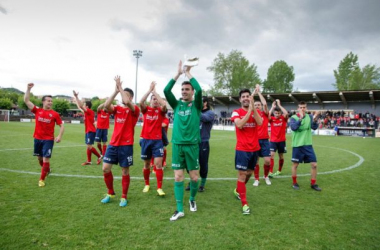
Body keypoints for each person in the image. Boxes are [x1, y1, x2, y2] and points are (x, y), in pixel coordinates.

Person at [164, 60, 202, 221]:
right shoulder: (177, 104)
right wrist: (178, 73)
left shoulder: (197, 105)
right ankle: (179, 209)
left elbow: (200, 89)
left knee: (194, 178)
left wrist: (188, 73)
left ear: (192, 92)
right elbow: (166, 90)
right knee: (178, 177)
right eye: (182, 89)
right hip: (178, 145)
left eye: (187, 89)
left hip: (192, 146)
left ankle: (192, 199)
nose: (184, 91)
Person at [100, 76, 140, 207]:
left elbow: (127, 102)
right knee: (105, 168)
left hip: (126, 145)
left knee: (125, 171)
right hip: (113, 144)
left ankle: (124, 196)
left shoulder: (135, 110)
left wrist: (121, 88)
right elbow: (106, 106)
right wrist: (116, 91)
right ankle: (110, 192)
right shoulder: (117, 109)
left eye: (126, 95)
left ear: (131, 98)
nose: (123, 97)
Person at [24, 83, 64, 187]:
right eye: (48, 100)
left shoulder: (55, 114)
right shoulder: (38, 110)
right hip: (37, 138)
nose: (50, 102)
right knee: (39, 158)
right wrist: (28, 89)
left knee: (46, 159)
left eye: (51, 101)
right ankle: (48, 169)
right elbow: (27, 101)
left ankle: (41, 179)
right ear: (43, 102)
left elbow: (62, 126)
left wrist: (59, 136)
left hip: (48, 140)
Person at [231, 88, 262, 215]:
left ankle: (238, 189)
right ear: (240, 99)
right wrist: (249, 111)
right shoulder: (236, 112)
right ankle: (245, 204)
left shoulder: (256, 112)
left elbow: (260, 122)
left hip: (254, 149)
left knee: (250, 173)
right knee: (242, 174)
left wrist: (253, 109)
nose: (245, 98)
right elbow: (239, 125)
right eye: (243, 96)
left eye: (247, 96)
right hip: (242, 149)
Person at [139, 81, 167, 196]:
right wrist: (149, 91)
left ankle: (159, 187)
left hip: (157, 141)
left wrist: (155, 92)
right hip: (146, 140)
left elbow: (164, 105)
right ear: (150, 101)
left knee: (158, 164)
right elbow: (141, 102)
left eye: (156, 99)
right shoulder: (146, 110)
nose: (155, 100)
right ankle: (147, 184)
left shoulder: (161, 112)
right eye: (153, 99)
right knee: (146, 165)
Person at [289, 101, 322, 191]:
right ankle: (294, 183)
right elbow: (293, 128)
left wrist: (315, 119)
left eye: (304, 107)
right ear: (298, 108)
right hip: (297, 145)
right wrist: (300, 119)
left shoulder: (310, 117)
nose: (302, 109)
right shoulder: (293, 117)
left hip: (308, 144)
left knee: (314, 165)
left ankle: (313, 183)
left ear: (306, 108)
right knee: (295, 165)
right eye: (300, 107)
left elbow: (314, 127)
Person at [73, 91, 102, 166]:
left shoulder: (90, 112)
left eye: (85, 105)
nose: (84, 106)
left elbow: (81, 106)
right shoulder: (86, 112)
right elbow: (79, 107)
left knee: (89, 146)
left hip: (91, 131)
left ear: (87, 106)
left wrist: (76, 97)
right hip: (87, 131)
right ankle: (89, 161)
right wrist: (76, 98)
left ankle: (99, 156)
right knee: (88, 146)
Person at [252, 85, 271, 187]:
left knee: (267, 161)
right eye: (256, 105)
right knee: (256, 161)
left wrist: (258, 92)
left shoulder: (265, 114)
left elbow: (264, 103)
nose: (258, 106)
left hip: (265, 140)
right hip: (255, 140)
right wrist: (253, 93)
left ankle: (266, 176)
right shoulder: (253, 114)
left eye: (259, 104)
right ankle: (256, 179)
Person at [268, 99, 288, 177]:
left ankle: (279, 170)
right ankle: (270, 172)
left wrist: (279, 105)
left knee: (281, 156)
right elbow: (267, 115)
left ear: (280, 113)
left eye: (278, 113)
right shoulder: (272, 119)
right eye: (276, 113)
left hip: (282, 141)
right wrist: (272, 107)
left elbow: (286, 113)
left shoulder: (283, 118)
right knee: (271, 155)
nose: (277, 114)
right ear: (274, 113)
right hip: (273, 141)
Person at [198, 96, 215, 192]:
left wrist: (195, 109)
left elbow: (204, 118)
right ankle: (193, 180)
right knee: (191, 164)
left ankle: (202, 184)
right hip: (193, 142)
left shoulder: (210, 113)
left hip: (203, 142)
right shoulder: (195, 112)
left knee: (203, 164)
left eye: (199, 101)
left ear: (205, 103)